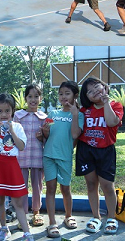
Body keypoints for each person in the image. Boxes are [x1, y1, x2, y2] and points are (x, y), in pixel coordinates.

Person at [0, 94, 33, 241]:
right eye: (0, 111)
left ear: (12, 111)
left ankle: (27, 233)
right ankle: (4, 228)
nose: (4, 114)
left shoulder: (18, 126)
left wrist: (12, 131)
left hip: (11, 166)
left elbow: (21, 147)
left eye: (7, 111)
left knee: (17, 202)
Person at [75, 77, 123, 234]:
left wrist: (106, 102)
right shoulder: (84, 111)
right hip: (86, 150)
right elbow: (76, 132)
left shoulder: (115, 105)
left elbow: (111, 122)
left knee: (107, 186)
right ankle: (96, 217)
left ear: (104, 87)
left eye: (97, 86)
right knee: (91, 185)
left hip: (106, 151)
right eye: (90, 91)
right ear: (86, 97)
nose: (95, 91)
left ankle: (111, 218)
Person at [37, 81, 80, 237]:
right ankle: (52, 223)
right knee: (50, 189)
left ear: (75, 95)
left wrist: (75, 114)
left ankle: (69, 216)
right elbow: (46, 135)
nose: (63, 97)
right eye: (61, 93)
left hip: (65, 157)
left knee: (65, 189)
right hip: (49, 156)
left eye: (67, 93)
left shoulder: (79, 115)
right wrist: (44, 132)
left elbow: (75, 135)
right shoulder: (53, 114)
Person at [13, 85, 47, 228]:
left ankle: (36, 212)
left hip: (38, 158)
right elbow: (12, 137)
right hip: (21, 158)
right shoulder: (18, 116)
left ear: (41, 98)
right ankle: (23, 215)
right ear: (25, 98)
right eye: (30, 96)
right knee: (22, 187)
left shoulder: (45, 118)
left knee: (37, 186)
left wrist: (42, 137)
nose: (33, 100)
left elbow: (47, 140)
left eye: (36, 96)